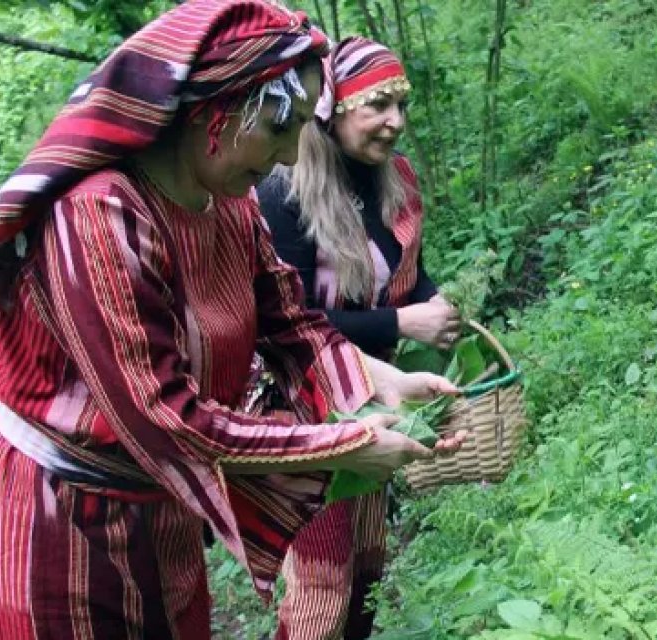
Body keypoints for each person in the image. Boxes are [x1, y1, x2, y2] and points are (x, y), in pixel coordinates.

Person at [0, 2, 464, 638]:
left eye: (301, 128)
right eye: (279, 127)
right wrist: (345, 442)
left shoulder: (229, 202)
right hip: (52, 515)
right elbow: (164, 417)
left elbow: (290, 321)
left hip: (158, 502)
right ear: (214, 111)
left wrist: (379, 380)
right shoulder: (100, 214)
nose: (288, 156)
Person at [255, 36, 460, 639]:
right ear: (332, 109)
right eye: (377, 105)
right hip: (301, 405)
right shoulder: (284, 193)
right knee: (322, 583)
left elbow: (404, 274)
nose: (396, 121)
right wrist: (400, 323)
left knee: (368, 564)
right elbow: (285, 323)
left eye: (401, 104)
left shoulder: (393, 179)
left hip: (374, 399)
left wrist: (431, 301)